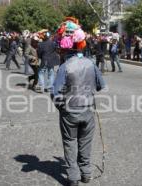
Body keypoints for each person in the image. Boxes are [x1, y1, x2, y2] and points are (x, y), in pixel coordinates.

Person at [52, 18, 105, 186]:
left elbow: (55, 93)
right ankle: (86, 173)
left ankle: (73, 178)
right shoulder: (90, 63)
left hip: (70, 110)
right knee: (85, 143)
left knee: (70, 143)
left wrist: (61, 106)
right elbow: (100, 85)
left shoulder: (64, 67)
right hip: (88, 110)